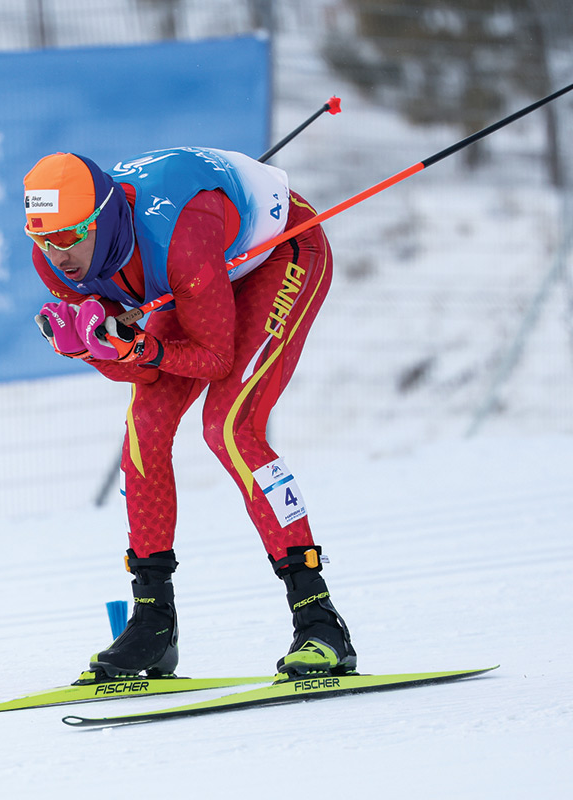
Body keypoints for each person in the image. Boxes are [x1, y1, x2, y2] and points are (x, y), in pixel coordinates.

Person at [23, 147, 356, 682]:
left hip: (277, 256)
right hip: (193, 281)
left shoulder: (178, 236)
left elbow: (214, 358)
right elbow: (143, 374)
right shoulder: (56, 263)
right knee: (144, 430)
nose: (57, 255)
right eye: (43, 239)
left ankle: (319, 619)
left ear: (101, 220)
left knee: (229, 427)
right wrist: (95, 349)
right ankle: (153, 624)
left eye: (69, 237)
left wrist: (135, 346)